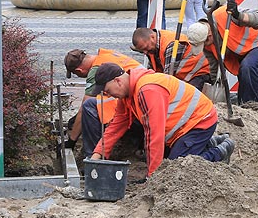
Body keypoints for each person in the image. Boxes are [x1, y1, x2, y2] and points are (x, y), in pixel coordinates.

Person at [88, 63, 235, 177]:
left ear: (117, 81)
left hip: (200, 122)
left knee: (176, 170)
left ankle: (220, 151)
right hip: (184, 128)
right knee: (166, 163)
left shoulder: (148, 90)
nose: (109, 95)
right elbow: (115, 127)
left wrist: (153, 177)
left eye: (108, 91)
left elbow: (155, 135)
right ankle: (207, 143)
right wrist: (97, 155)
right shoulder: (127, 95)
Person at [186, 2, 258, 104]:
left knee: (248, 67)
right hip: (243, 52)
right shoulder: (207, 43)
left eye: (204, 43)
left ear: (209, 35)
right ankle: (243, 106)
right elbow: (214, 67)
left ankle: (252, 106)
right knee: (244, 75)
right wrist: (214, 84)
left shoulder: (225, 15)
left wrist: (239, 16)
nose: (205, 47)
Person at [64, 48, 143, 157]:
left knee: (89, 107)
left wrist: (71, 141)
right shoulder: (106, 55)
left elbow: (84, 108)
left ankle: (91, 155)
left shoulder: (97, 70)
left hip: (134, 108)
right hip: (138, 101)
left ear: (79, 71)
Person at [131, 27, 211, 91]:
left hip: (198, 73)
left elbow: (168, 78)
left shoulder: (171, 45)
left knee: (188, 97)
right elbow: (153, 71)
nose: (145, 52)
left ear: (152, 37)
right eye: (142, 51)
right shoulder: (152, 48)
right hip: (184, 76)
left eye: (145, 48)